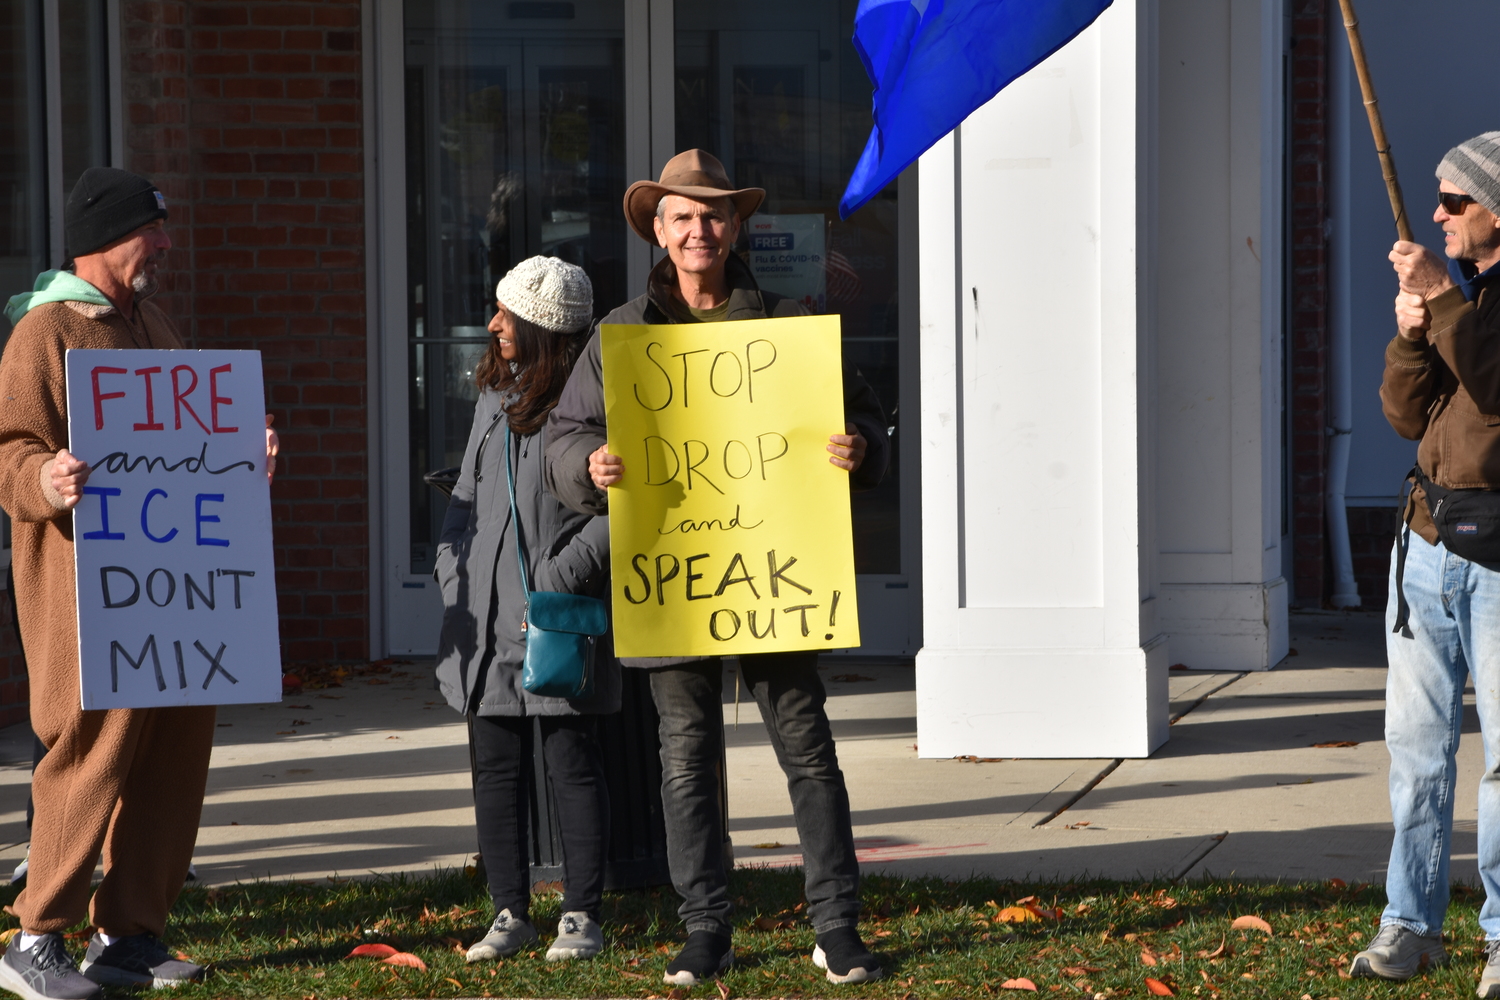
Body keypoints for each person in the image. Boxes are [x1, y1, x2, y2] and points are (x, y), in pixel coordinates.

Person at [544, 149, 889, 986]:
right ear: (657, 231)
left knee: (808, 750)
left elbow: (865, 422)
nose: (700, 229)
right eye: (683, 216)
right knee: (684, 757)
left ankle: (835, 924)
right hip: (675, 578)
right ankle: (706, 928)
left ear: (736, 227)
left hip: (776, 576)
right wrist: (589, 466)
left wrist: (860, 449)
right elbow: (563, 441)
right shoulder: (622, 336)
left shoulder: (786, 322)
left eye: (714, 215)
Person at [0, 167, 278, 1000]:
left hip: (178, 591)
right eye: (149, 230)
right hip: (88, 595)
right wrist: (45, 481)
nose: (164, 244)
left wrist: (242, 454)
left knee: (174, 751)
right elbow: (9, 449)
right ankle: (34, 937)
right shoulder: (43, 333)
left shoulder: (152, 321)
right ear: (103, 238)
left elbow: (187, 445)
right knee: (93, 747)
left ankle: (129, 933)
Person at [433, 256, 618, 965]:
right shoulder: (493, 394)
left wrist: (559, 577)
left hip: (557, 615)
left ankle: (581, 915)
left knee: (572, 763)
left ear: (544, 328)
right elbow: (467, 499)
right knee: (496, 768)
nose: (492, 326)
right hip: (482, 623)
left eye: (507, 315)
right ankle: (508, 911)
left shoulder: (593, 397)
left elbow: (620, 508)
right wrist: (453, 574)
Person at [1355, 132, 1500, 997]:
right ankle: (1409, 922)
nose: (1437, 214)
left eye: (1454, 201)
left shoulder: (1477, 303)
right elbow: (1407, 418)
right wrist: (1411, 336)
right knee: (1417, 750)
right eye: (1437, 200)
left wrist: (1444, 303)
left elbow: (1495, 385)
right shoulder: (1462, 296)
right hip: (1427, 549)